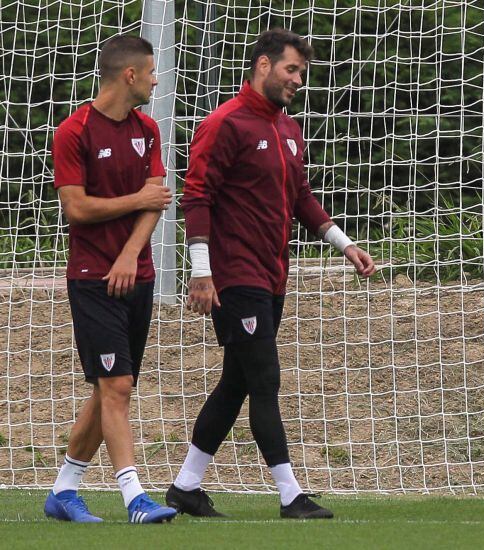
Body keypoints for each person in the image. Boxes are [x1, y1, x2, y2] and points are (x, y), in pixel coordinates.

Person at [166, 28, 376, 519]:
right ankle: (289, 494)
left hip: (272, 275)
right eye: (291, 69)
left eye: (302, 72)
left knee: (236, 382)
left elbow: (300, 197)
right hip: (234, 276)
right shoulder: (224, 123)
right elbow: (197, 196)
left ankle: (186, 486)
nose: (298, 80)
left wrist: (345, 244)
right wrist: (202, 271)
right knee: (265, 378)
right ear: (263, 65)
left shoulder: (288, 129)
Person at [46, 35, 177, 523]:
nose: (156, 81)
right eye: (151, 72)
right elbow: (76, 208)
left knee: (109, 388)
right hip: (92, 279)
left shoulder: (148, 129)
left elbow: (156, 200)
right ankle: (135, 498)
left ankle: (64, 490)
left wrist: (129, 254)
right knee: (117, 385)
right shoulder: (73, 131)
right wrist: (136, 201)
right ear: (130, 75)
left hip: (136, 274)